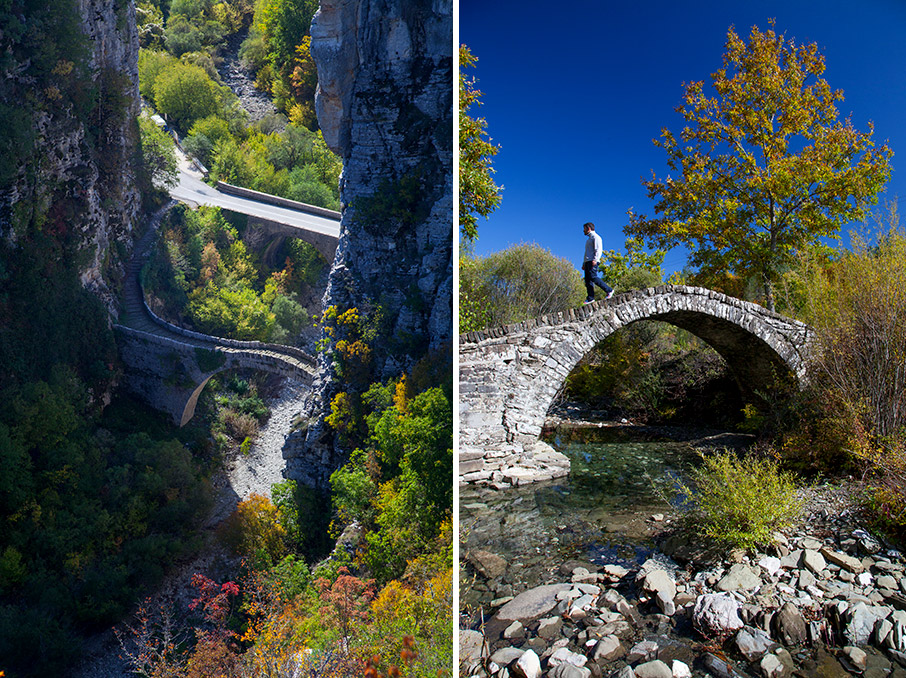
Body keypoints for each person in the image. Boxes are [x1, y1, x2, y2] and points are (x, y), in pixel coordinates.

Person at [582, 222, 614, 304]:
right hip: (587, 262)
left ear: (588, 228)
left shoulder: (596, 237)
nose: (583, 231)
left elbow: (598, 250)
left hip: (593, 261)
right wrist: (584, 263)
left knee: (593, 277)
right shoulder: (589, 239)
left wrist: (595, 259)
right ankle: (590, 298)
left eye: (584, 229)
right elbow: (587, 252)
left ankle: (609, 290)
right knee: (588, 280)